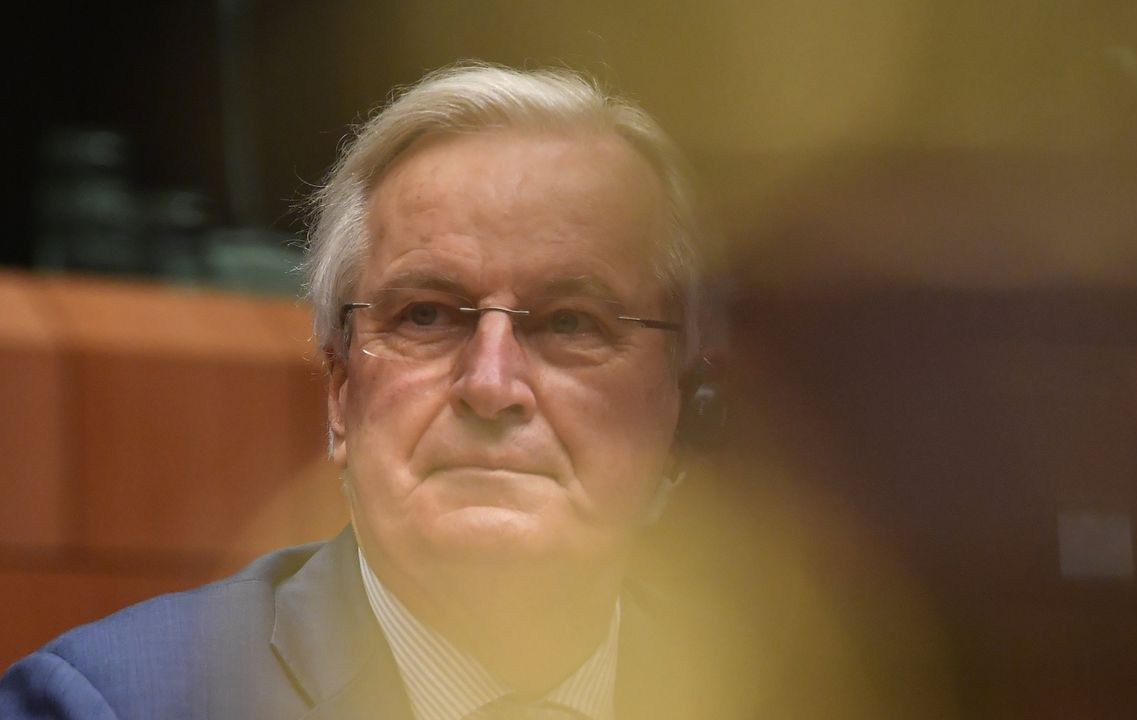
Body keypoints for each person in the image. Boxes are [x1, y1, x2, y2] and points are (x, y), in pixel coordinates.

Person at [0, 62, 724, 720]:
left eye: (571, 322)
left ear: (677, 406)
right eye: (428, 316)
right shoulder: (107, 707)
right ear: (340, 393)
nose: (491, 385)